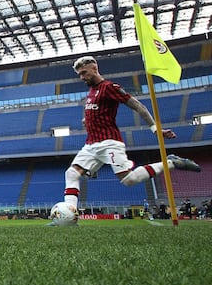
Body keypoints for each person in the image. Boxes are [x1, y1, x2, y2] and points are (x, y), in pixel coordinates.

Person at [52, 56, 201, 223]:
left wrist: (156, 129)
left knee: (129, 180)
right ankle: (70, 219)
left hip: (110, 142)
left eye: (84, 73)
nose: (82, 77)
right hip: (91, 144)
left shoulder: (110, 87)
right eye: (79, 74)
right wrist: (87, 121)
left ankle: (172, 162)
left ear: (95, 68)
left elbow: (139, 106)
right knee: (71, 173)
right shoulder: (91, 92)